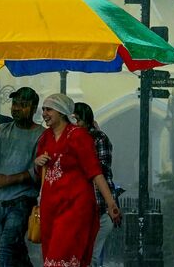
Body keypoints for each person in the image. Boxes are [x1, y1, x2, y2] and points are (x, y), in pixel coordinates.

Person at [34, 93, 121, 267]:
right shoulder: (45, 137)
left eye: (49, 109)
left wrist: (111, 203)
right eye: (43, 109)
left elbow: (95, 172)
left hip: (74, 206)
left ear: (61, 112)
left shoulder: (78, 135)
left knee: (60, 258)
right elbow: (40, 173)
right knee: (52, 257)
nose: (44, 114)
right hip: (50, 206)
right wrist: (37, 162)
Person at [0, 86, 42, 267]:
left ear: (33, 108)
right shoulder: (2, 130)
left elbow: (37, 172)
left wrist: (9, 179)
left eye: (23, 105)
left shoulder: (41, 135)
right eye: (14, 104)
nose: (17, 108)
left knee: (5, 250)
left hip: (22, 202)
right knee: (18, 253)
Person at [74, 102, 117, 267]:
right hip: (78, 207)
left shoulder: (98, 138)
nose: (75, 125)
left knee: (90, 256)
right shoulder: (68, 138)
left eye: (78, 120)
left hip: (98, 207)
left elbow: (100, 171)